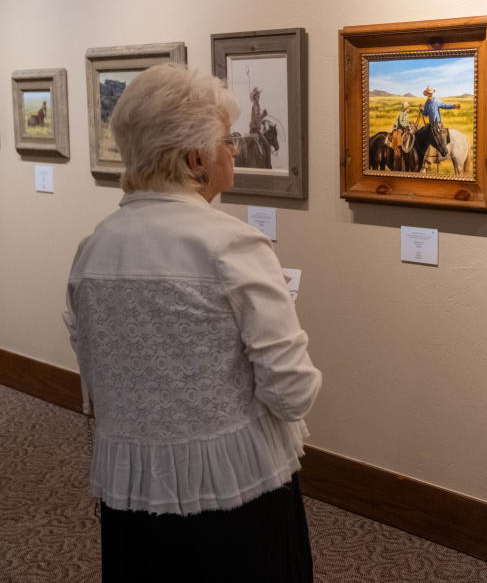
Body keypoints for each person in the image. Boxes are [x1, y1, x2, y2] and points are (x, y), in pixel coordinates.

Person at [62, 63, 321, 583]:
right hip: (235, 495)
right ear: (195, 159)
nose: (235, 152)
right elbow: (292, 392)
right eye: (228, 142)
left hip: (134, 493)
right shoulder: (231, 245)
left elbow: (97, 370)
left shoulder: (93, 249)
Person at [419, 86, 460, 158]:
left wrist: (454, 106)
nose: (430, 94)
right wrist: (421, 111)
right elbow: (425, 114)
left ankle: (442, 151)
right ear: (426, 94)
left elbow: (445, 106)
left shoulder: (436, 101)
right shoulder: (426, 104)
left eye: (431, 93)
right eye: (429, 93)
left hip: (438, 124)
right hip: (431, 125)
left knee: (437, 137)